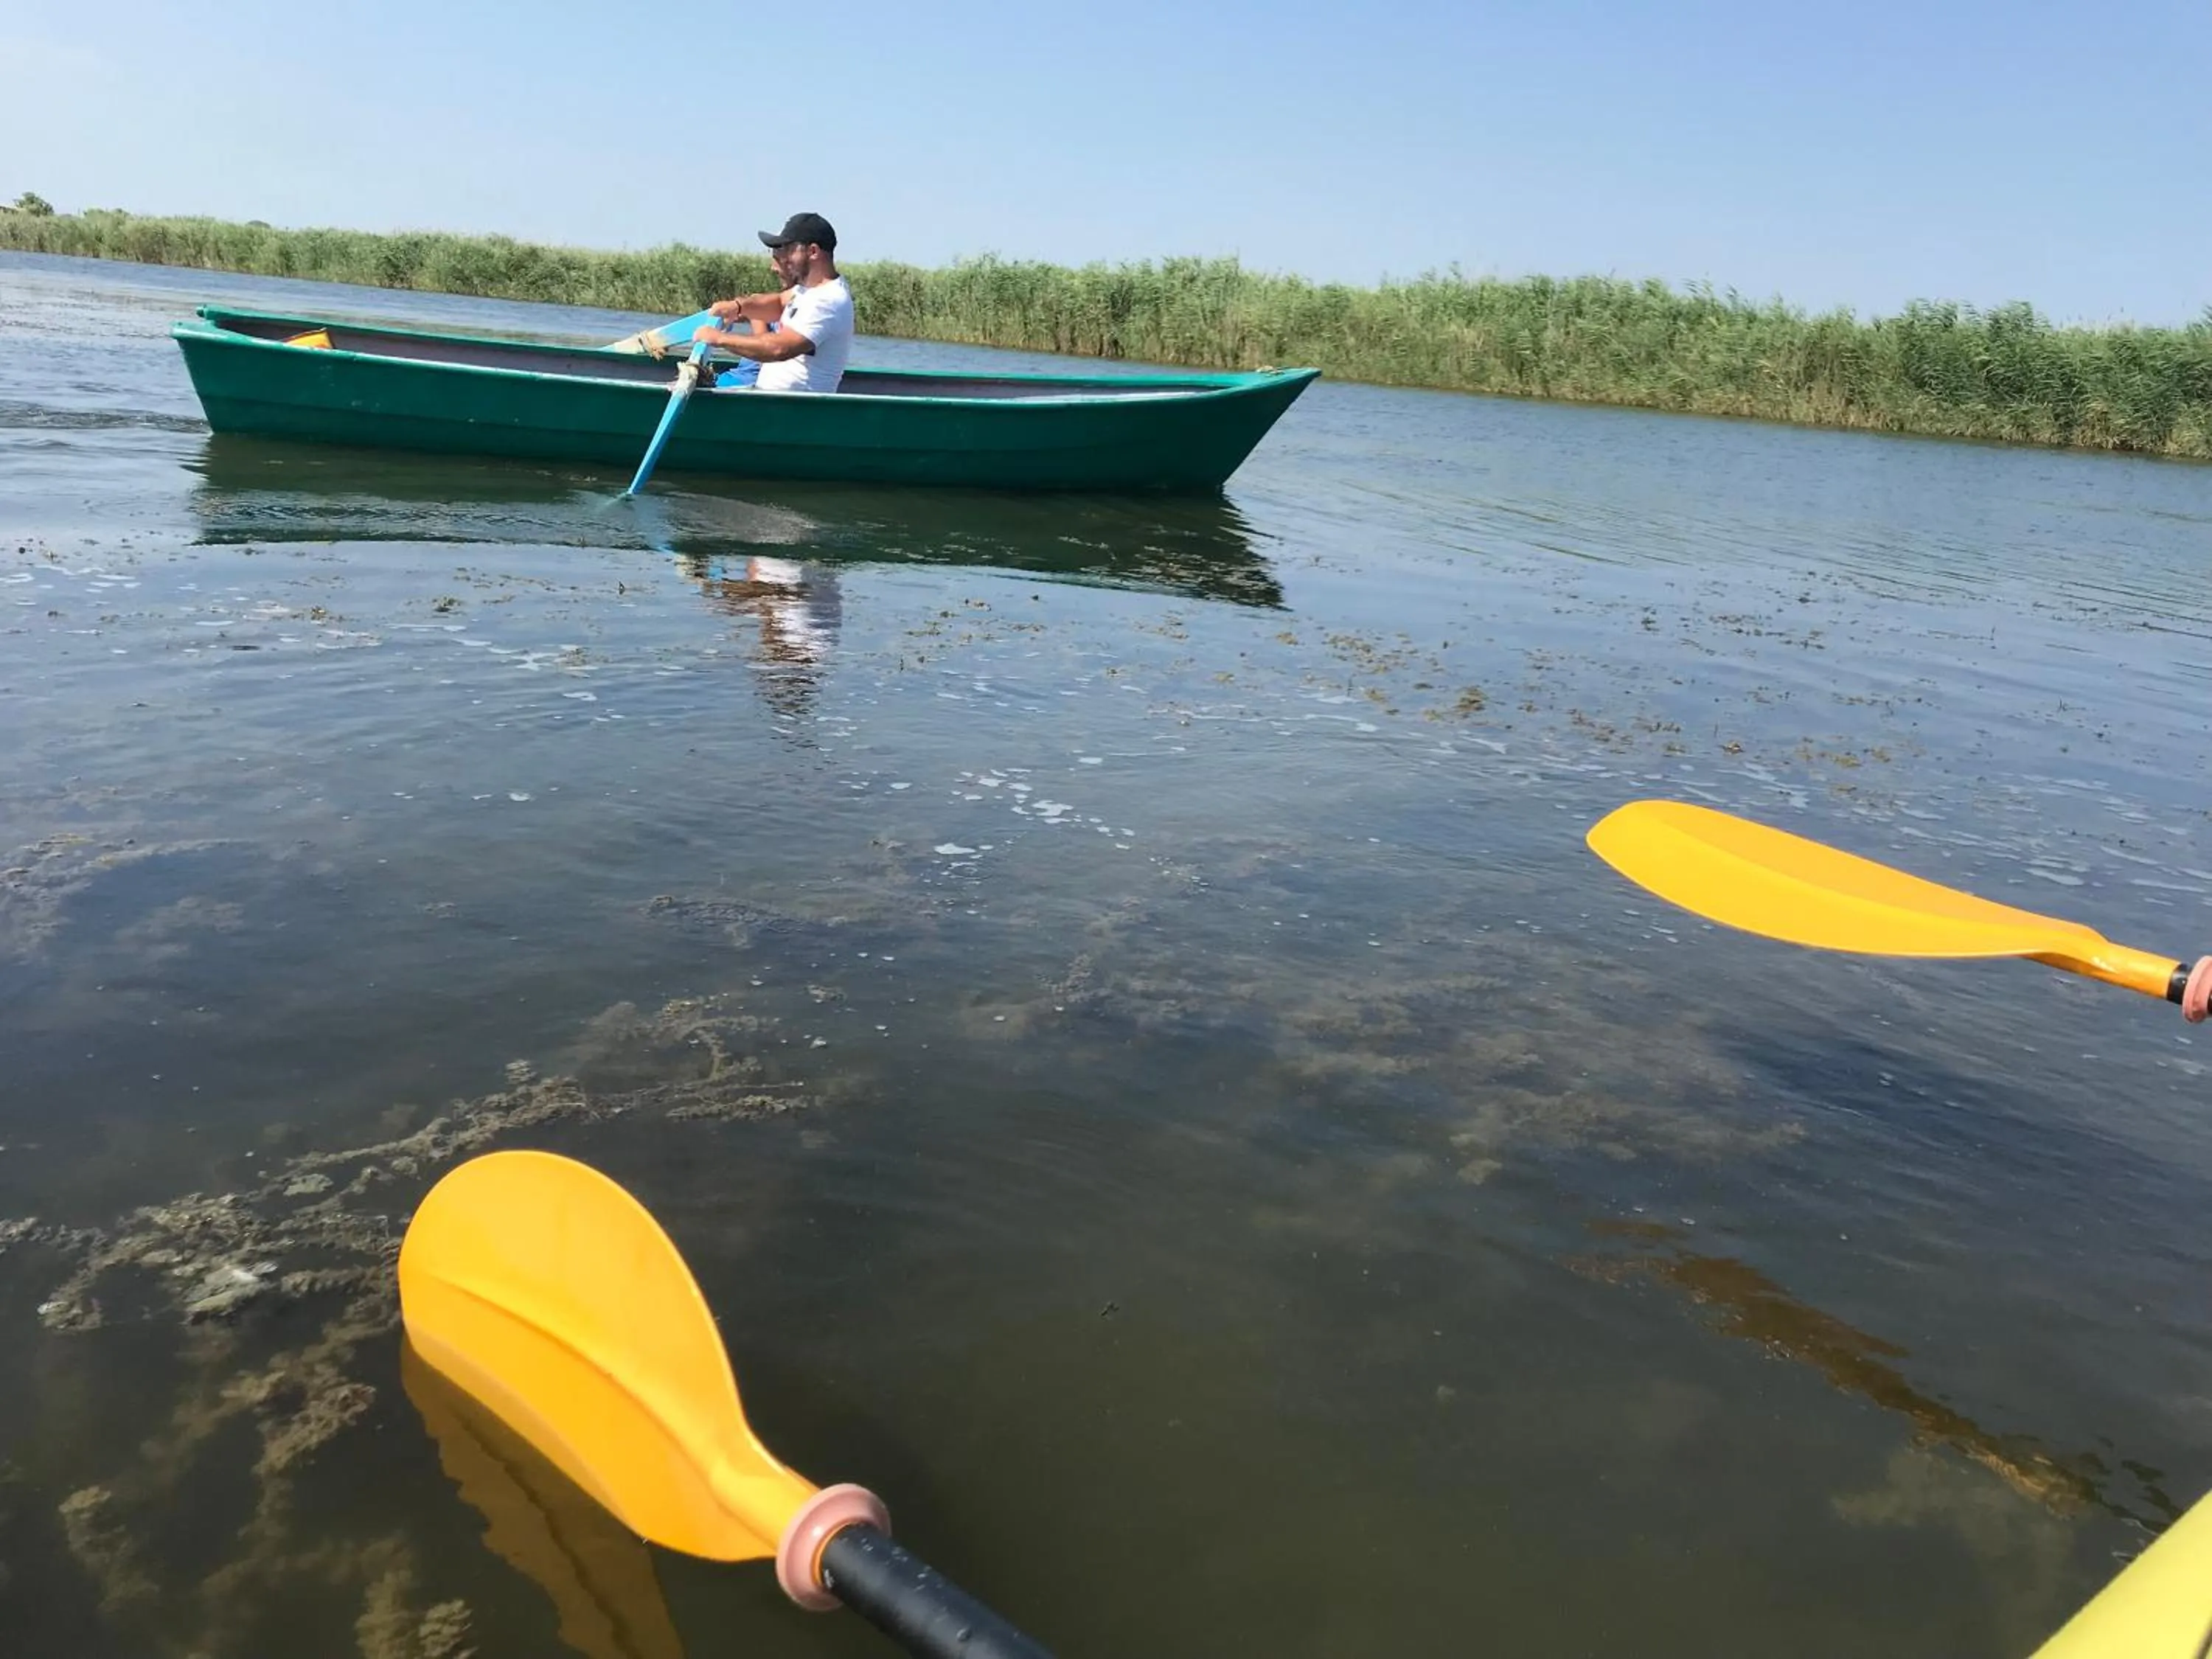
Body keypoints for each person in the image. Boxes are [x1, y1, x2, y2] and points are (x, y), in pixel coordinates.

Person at [696, 212, 853, 393]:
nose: (783, 258)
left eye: (789, 249)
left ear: (813, 252)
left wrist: (719, 339)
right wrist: (739, 307)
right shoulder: (807, 290)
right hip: (772, 404)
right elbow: (778, 304)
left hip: (796, 412)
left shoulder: (830, 300)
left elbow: (780, 349)